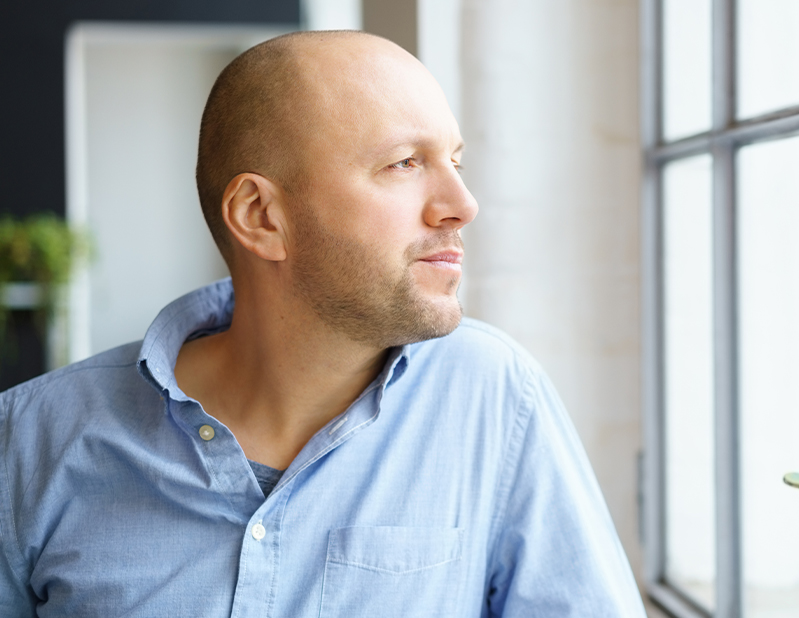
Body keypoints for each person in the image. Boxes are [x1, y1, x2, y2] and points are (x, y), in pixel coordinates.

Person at [0, 31, 644, 616]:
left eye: (455, 161)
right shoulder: (29, 442)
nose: (461, 205)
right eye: (404, 164)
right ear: (260, 216)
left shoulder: (496, 398)